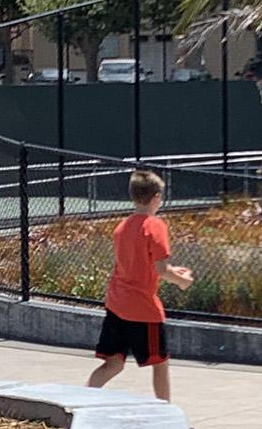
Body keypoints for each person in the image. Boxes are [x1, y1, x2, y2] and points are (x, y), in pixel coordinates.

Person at [88, 170, 195, 402]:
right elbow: (161, 270)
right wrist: (182, 280)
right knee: (160, 363)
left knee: (114, 363)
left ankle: (80, 399)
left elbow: (139, 263)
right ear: (156, 197)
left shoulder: (122, 227)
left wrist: (171, 271)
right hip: (143, 308)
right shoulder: (155, 226)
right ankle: (166, 411)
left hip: (116, 303)